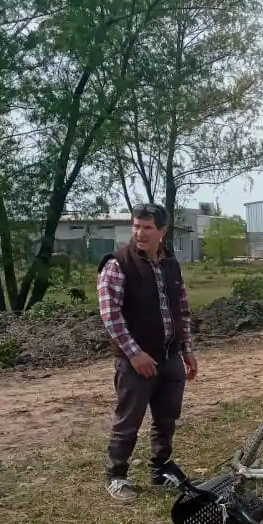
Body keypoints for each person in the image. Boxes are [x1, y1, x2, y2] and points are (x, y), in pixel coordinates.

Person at [95, 202, 198, 503]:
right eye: (136, 226)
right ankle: (117, 475)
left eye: (148, 227)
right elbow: (110, 315)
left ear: (162, 231)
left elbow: (182, 309)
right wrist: (134, 354)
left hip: (170, 356)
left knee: (167, 417)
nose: (140, 233)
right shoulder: (117, 264)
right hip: (136, 360)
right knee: (129, 419)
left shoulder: (170, 264)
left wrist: (187, 349)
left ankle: (161, 468)